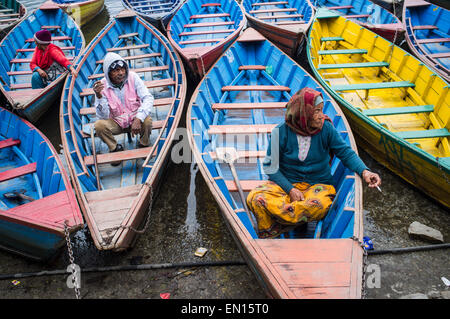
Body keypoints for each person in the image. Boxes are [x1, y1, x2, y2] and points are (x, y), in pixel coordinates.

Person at [246, 87, 381, 239]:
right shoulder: (280, 131)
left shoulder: (326, 129)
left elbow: (346, 153)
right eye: (316, 111)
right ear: (303, 114)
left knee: (319, 205)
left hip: (317, 186)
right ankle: (288, 218)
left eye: (321, 110)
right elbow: (270, 167)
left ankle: (280, 219)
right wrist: (290, 189)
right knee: (255, 198)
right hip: (286, 185)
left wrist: (365, 171)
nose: (321, 116)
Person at [93, 52, 154, 166]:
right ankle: (115, 148)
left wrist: (138, 119)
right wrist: (99, 96)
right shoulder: (101, 85)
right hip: (117, 121)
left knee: (147, 121)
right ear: (108, 73)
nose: (120, 73)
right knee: (99, 126)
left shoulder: (133, 77)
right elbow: (103, 116)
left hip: (135, 118)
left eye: (122, 69)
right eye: (115, 71)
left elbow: (148, 98)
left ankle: (143, 143)